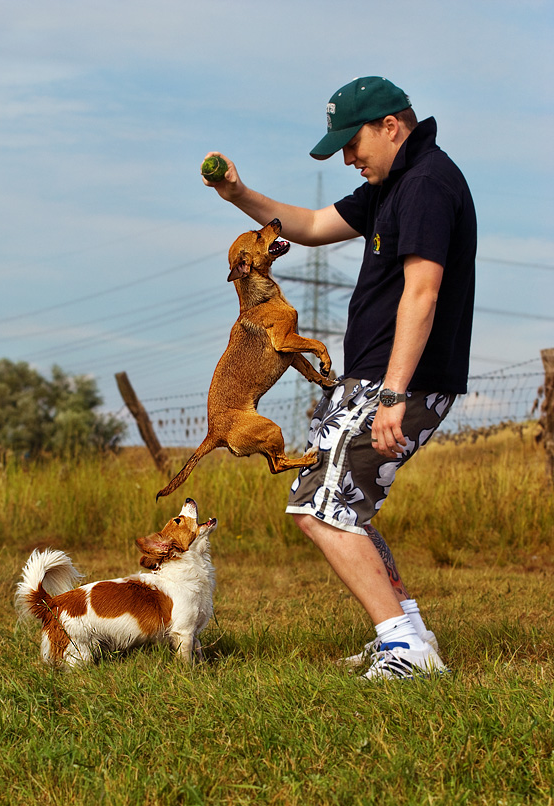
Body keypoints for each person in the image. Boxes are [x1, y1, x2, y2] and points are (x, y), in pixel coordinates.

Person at [203, 75, 476, 680]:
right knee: (340, 503)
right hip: (370, 379)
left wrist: (394, 395)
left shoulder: (427, 184)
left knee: (319, 507)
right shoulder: (391, 183)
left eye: (352, 144)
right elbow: (312, 225)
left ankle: (404, 645)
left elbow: (423, 293)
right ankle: (406, 632)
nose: (348, 158)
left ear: (390, 126)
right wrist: (237, 193)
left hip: (398, 381)